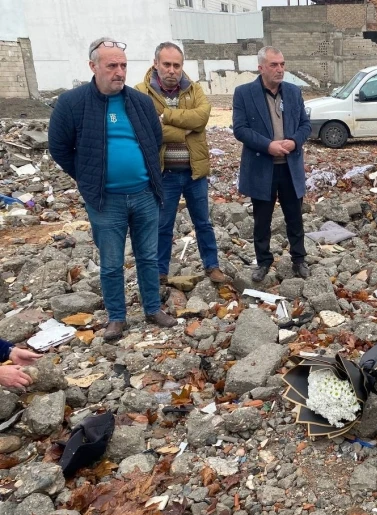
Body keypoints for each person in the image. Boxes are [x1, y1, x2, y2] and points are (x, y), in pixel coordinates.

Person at [49, 38, 177, 342]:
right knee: (111, 263)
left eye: (123, 65)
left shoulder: (140, 101)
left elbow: (154, 139)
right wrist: (88, 176)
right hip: (106, 200)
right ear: (93, 66)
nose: (119, 72)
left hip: (145, 194)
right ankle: (117, 318)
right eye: (112, 66)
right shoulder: (73, 103)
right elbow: (59, 147)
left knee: (148, 256)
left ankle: (152, 308)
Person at [136, 42, 226, 285]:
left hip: (194, 171)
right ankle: (160, 271)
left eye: (177, 65)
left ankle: (212, 266)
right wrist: (184, 130)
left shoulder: (194, 89)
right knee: (163, 224)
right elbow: (147, 130)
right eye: (166, 64)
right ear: (156, 64)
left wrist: (166, 117)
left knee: (203, 222)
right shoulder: (141, 92)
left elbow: (201, 118)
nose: (172, 70)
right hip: (163, 174)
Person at [232, 46, 312, 283]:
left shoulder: (293, 92)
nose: (280, 70)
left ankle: (299, 259)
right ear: (261, 68)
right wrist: (268, 146)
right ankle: (263, 261)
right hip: (262, 167)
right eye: (274, 65)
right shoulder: (244, 93)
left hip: (289, 166)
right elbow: (240, 129)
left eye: (282, 64)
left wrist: (294, 142)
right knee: (262, 220)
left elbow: (305, 125)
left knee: (295, 217)